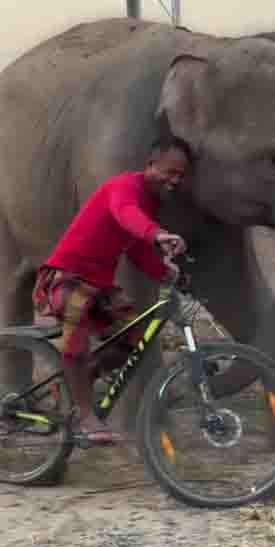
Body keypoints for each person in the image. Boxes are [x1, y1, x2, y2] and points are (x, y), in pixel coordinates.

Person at [32, 137, 191, 445]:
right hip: (69, 275)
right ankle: (86, 417)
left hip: (100, 286)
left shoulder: (150, 204)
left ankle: (77, 380)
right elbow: (124, 214)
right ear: (150, 165)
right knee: (75, 342)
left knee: (135, 339)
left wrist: (167, 274)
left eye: (180, 176)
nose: (174, 180)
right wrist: (157, 234)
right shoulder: (125, 187)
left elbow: (136, 250)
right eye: (170, 172)